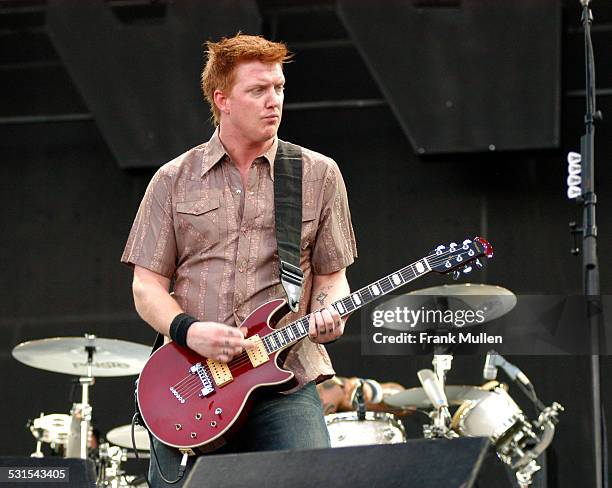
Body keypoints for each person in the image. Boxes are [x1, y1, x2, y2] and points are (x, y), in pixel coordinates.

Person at [121, 33, 357, 487]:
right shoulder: (172, 180)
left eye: (280, 88)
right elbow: (146, 285)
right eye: (258, 90)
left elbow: (332, 273)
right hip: (194, 379)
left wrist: (331, 307)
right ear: (222, 99)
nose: (274, 101)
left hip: (285, 377)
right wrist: (190, 331)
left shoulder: (317, 173)